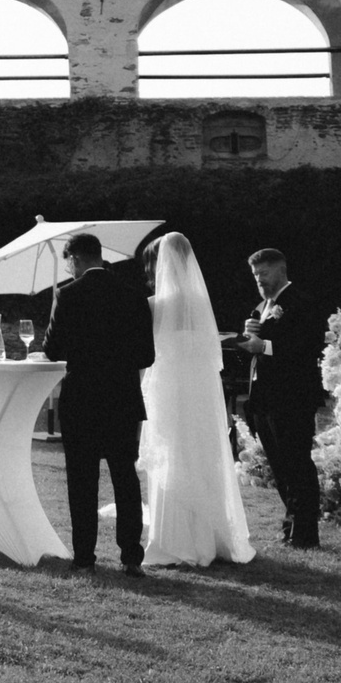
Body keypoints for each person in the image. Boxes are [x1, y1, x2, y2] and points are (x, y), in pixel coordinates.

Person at [136, 234, 255, 567]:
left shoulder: (155, 304)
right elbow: (211, 356)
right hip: (199, 394)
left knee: (171, 456)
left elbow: (144, 354)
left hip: (167, 391)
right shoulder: (202, 305)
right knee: (200, 456)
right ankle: (212, 538)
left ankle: (174, 539)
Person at [43, 233, 157, 574]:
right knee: (125, 478)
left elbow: (52, 350)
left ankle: (84, 558)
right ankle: (131, 558)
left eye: (68, 263)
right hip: (122, 400)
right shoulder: (133, 295)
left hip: (82, 400)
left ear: (75, 259)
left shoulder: (67, 294)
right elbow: (146, 356)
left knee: (82, 480)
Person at [240, 247, 330, 549]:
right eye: (255, 276)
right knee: (279, 468)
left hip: (292, 397)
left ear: (280, 270)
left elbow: (303, 347)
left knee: (297, 465)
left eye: (264, 274)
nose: (260, 280)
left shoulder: (301, 303)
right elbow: (259, 350)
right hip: (264, 399)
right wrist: (249, 337)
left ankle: (305, 533)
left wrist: (262, 345)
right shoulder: (262, 306)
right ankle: (291, 527)